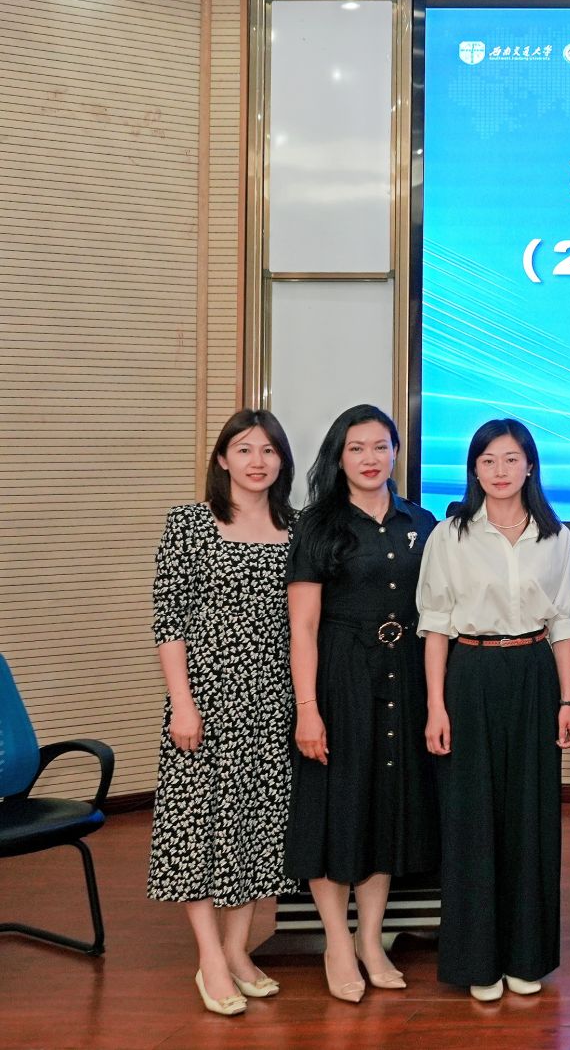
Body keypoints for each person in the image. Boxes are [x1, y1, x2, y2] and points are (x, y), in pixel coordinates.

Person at [418, 418, 570, 1001]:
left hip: (535, 674)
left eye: (511, 459)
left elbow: (564, 623)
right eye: (487, 460)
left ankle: (525, 955)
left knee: (531, 816)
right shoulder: (451, 535)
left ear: (530, 465)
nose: (500, 470)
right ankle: (478, 960)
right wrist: (436, 706)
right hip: (469, 673)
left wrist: (567, 699)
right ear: (474, 469)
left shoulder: (554, 536)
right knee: (472, 817)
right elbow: (435, 624)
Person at [284, 404, 440, 1003]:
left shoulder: (420, 521)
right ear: (339, 456)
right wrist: (307, 708)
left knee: (386, 808)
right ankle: (337, 943)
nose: (370, 458)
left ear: (396, 451)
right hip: (340, 679)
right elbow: (302, 627)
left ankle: (371, 940)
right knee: (337, 809)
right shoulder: (317, 525)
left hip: (405, 678)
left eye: (380, 446)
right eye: (357, 448)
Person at [148, 410, 297, 1017]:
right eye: (244, 449)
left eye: (269, 450)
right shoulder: (189, 523)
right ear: (222, 459)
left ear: (282, 460)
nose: (257, 461)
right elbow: (169, 621)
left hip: (273, 702)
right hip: (205, 702)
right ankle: (210, 957)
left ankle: (238, 950)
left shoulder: (297, 527)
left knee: (258, 829)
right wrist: (182, 703)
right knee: (199, 829)